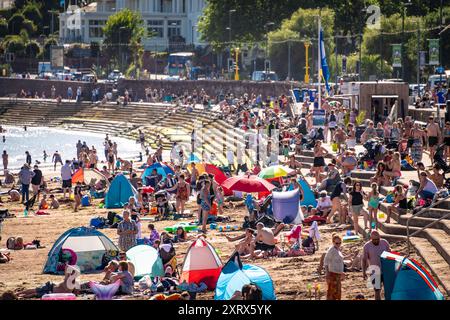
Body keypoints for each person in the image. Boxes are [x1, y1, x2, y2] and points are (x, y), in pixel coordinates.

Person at [362, 230, 391, 300]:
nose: (376, 241)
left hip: (386, 269)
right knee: (377, 290)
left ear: (379, 237)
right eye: (374, 240)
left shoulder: (384, 242)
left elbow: (390, 254)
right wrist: (363, 272)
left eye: (377, 239)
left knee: (388, 289)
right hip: (374, 271)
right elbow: (364, 260)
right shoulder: (367, 246)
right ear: (371, 238)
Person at [323, 234, 345, 300]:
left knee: (337, 294)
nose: (338, 244)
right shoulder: (332, 250)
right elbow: (326, 261)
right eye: (336, 243)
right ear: (333, 242)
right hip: (332, 275)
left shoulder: (337, 249)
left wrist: (341, 272)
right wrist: (327, 274)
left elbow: (338, 261)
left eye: (339, 243)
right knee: (332, 294)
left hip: (338, 275)